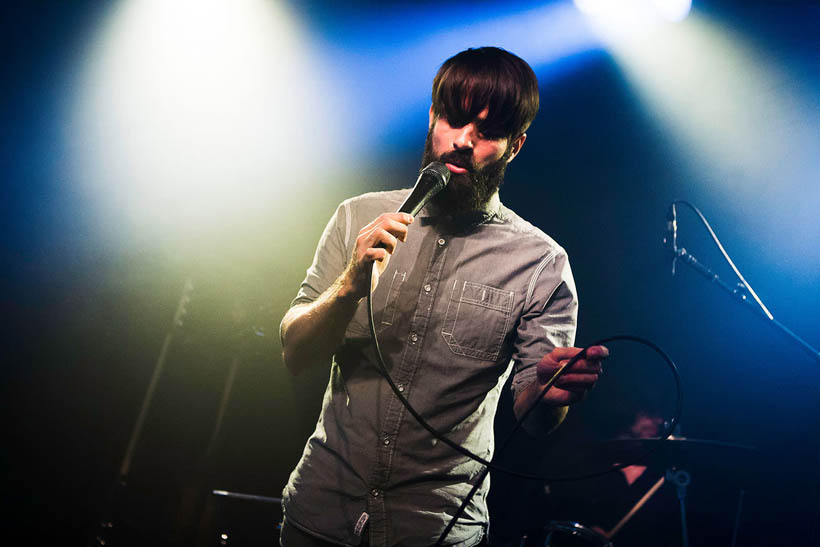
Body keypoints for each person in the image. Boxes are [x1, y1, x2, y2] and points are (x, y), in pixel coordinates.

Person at [278, 47, 608, 547]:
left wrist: (549, 395)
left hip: (435, 531)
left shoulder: (541, 264)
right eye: (453, 120)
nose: (462, 142)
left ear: (514, 147)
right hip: (320, 515)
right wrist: (348, 285)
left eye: (488, 131)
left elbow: (536, 418)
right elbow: (294, 352)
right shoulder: (356, 217)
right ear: (433, 116)